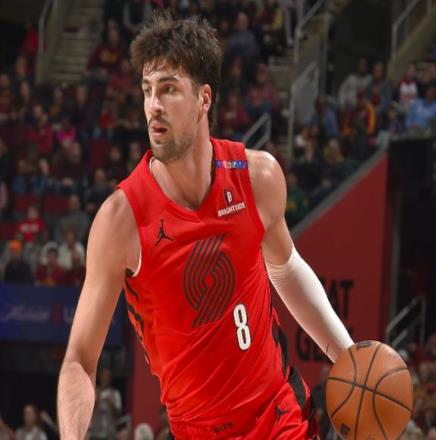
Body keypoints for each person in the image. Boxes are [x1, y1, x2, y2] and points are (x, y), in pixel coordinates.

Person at [57, 15, 353, 440]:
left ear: (204, 99)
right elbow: (80, 361)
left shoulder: (258, 178)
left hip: (281, 417)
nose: (153, 105)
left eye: (169, 89)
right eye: (147, 90)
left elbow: (286, 269)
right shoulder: (121, 221)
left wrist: (348, 355)